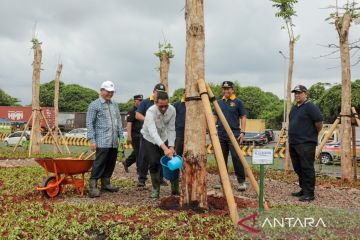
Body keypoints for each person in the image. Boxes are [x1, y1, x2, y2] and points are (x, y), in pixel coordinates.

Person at [86, 81, 123, 198]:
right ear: (101, 90)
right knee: (99, 163)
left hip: (113, 141)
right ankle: (92, 186)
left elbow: (119, 122)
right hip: (101, 140)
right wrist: (92, 140)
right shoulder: (94, 105)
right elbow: (89, 123)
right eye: (107, 91)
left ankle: (106, 184)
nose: (110, 94)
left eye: (112, 92)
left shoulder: (115, 105)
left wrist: (121, 137)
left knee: (111, 162)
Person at [140, 91, 178, 198]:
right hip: (149, 138)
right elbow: (153, 133)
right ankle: (156, 189)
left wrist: (171, 146)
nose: (163, 109)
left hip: (164, 136)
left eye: (166, 106)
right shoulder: (150, 112)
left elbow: (171, 129)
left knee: (173, 159)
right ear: (156, 103)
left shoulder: (172, 110)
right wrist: (165, 148)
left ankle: (175, 190)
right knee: (154, 162)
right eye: (161, 106)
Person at [289, 85, 323, 202]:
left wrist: (311, 135)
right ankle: (303, 189)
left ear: (306, 93)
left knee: (307, 168)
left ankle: (309, 193)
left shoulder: (310, 107)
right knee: (298, 167)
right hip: (294, 143)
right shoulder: (295, 108)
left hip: (306, 143)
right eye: (295, 93)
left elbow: (319, 123)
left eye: (299, 93)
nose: (297, 95)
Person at [214, 81, 247, 191]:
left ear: (233, 90)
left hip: (234, 134)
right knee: (221, 159)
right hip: (221, 135)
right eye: (224, 89)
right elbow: (215, 116)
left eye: (228, 89)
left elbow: (243, 117)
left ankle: (241, 182)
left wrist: (243, 132)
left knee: (236, 158)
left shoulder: (238, 102)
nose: (226, 91)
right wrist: (211, 127)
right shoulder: (218, 102)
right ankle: (222, 181)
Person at [136, 83, 168, 187]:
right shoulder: (146, 102)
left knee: (160, 157)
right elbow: (137, 115)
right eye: (157, 92)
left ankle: (160, 178)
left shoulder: (164, 103)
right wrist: (148, 120)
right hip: (147, 135)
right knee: (144, 157)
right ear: (153, 92)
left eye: (162, 93)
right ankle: (142, 179)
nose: (159, 94)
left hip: (160, 135)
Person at [122, 94, 143, 173]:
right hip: (135, 135)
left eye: (142, 100)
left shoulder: (142, 110)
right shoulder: (131, 111)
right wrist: (129, 136)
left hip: (142, 135)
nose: (141, 102)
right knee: (139, 153)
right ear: (135, 101)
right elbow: (129, 124)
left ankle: (127, 162)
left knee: (139, 152)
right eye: (139, 100)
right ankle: (140, 170)